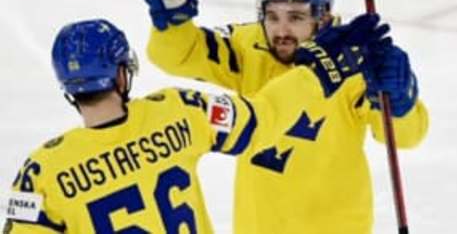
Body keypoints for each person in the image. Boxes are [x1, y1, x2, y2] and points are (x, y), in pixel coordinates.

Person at [140, 0, 430, 234]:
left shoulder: (353, 61)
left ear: (324, 17)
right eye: (272, 16)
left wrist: (401, 100)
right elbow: (177, 56)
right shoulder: (251, 46)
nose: (280, 32)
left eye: (295, 17)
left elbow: (403, 136)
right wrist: (173, 23)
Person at [2, 15, 382, 233]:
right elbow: (259, 119)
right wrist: (318, 73)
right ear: (121, 76)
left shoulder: (40, 174)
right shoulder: (177, 112)